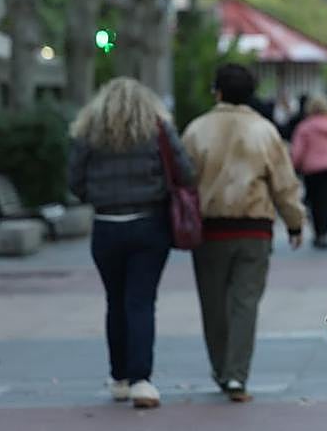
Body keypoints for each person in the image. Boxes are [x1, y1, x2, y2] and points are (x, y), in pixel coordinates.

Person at [69, 77, 195, 410]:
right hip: (149, 225)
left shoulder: (89, 134)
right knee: (140, 301)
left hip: (106, 227)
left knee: (115, 300)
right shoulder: (157, 129)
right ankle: (142, 380)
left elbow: (75, 182)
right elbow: (184, 172)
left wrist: (98, 197)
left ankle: (119, 377)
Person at [182, 64, 306, 402]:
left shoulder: (196, 130)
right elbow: (283, 182)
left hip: (209, 230)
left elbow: (184, 181)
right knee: (244, 302)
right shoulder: (264, 131)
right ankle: (237, 375)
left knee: (213, 304)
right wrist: (294, 221)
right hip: (254, 229)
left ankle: (222, 368)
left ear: (217, 91)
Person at [291, 93, 327, 250]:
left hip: (311, 169)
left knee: (314, 201)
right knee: (325, 200)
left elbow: (297, 151)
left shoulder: (304, 127)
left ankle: (319, 233)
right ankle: (323, 233)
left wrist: (294, 166)